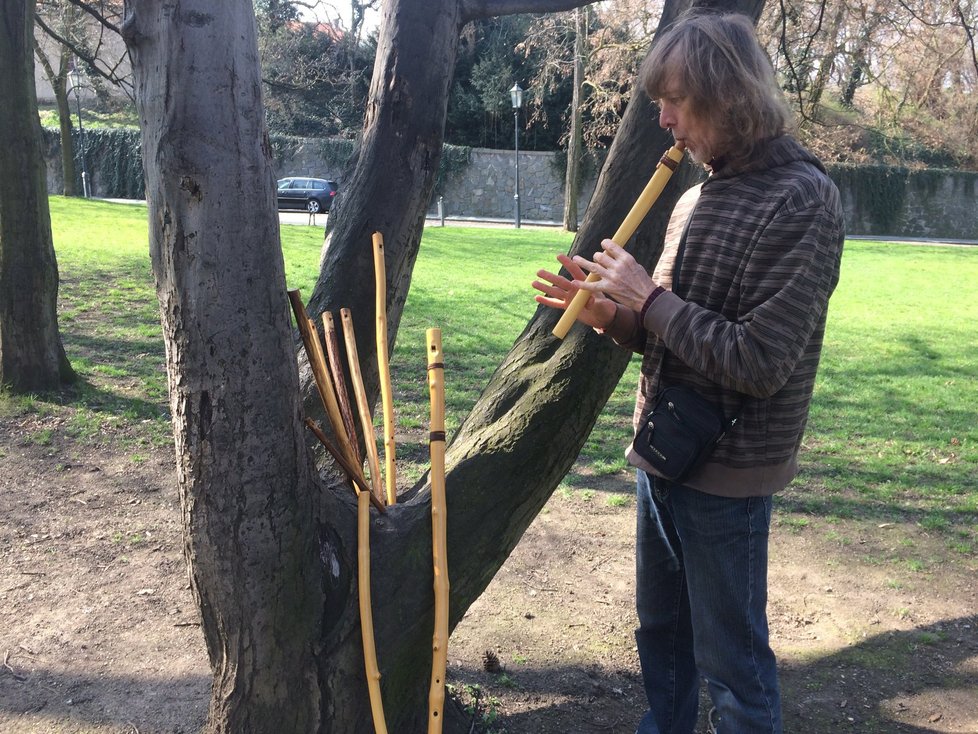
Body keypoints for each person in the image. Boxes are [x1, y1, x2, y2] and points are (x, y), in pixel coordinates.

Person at [533, 11, 845, 734]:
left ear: (729, 97)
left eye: (677, 101)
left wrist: (649, 296)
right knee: (661, 642)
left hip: (728, 471)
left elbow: (760, 362)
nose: (665, 121)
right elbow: (665, 338)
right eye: (660, 103)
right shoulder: (695, 198)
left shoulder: (804, 200)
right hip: (663, 453)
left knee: (731, 666)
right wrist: (608, 316)